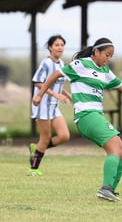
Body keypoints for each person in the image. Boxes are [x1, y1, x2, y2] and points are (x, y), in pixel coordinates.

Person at [32, 37, 122, 202]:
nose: (108, 58)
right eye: (106, 54)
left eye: (111, 56)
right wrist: (40, 95)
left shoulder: (105, 71)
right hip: (86, 115)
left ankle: (110, 189)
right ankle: (105, 189)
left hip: (95, 115)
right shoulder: (81, 64)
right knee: (114, 150)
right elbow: (55, 75)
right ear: (96, 52)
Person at [28, 35, 72, 177]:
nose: (60, 47)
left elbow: (58, 84)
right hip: (43, 105)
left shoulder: (61, 64)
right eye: (57, 45)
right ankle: (33, 169)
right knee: (45, 138)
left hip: (54, 106)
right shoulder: (46, 63)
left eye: (62, 45)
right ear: (50, 47)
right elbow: (38, 82)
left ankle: (38, 148)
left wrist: (68, 94)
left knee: (64, 136)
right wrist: (56, 95)